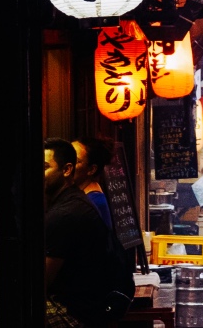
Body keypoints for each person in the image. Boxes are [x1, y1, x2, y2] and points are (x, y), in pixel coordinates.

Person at [44, 138, 133, 327]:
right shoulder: (75, 200)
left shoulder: (67, 213)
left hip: (77, 312)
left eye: (45, 167)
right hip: (90, 306)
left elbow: (41, 280)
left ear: (67, 169)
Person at [72, 137, 114, 228]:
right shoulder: (82, 195)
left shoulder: (92, 202)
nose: (68, 164)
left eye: (76, 161)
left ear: (91, 169)